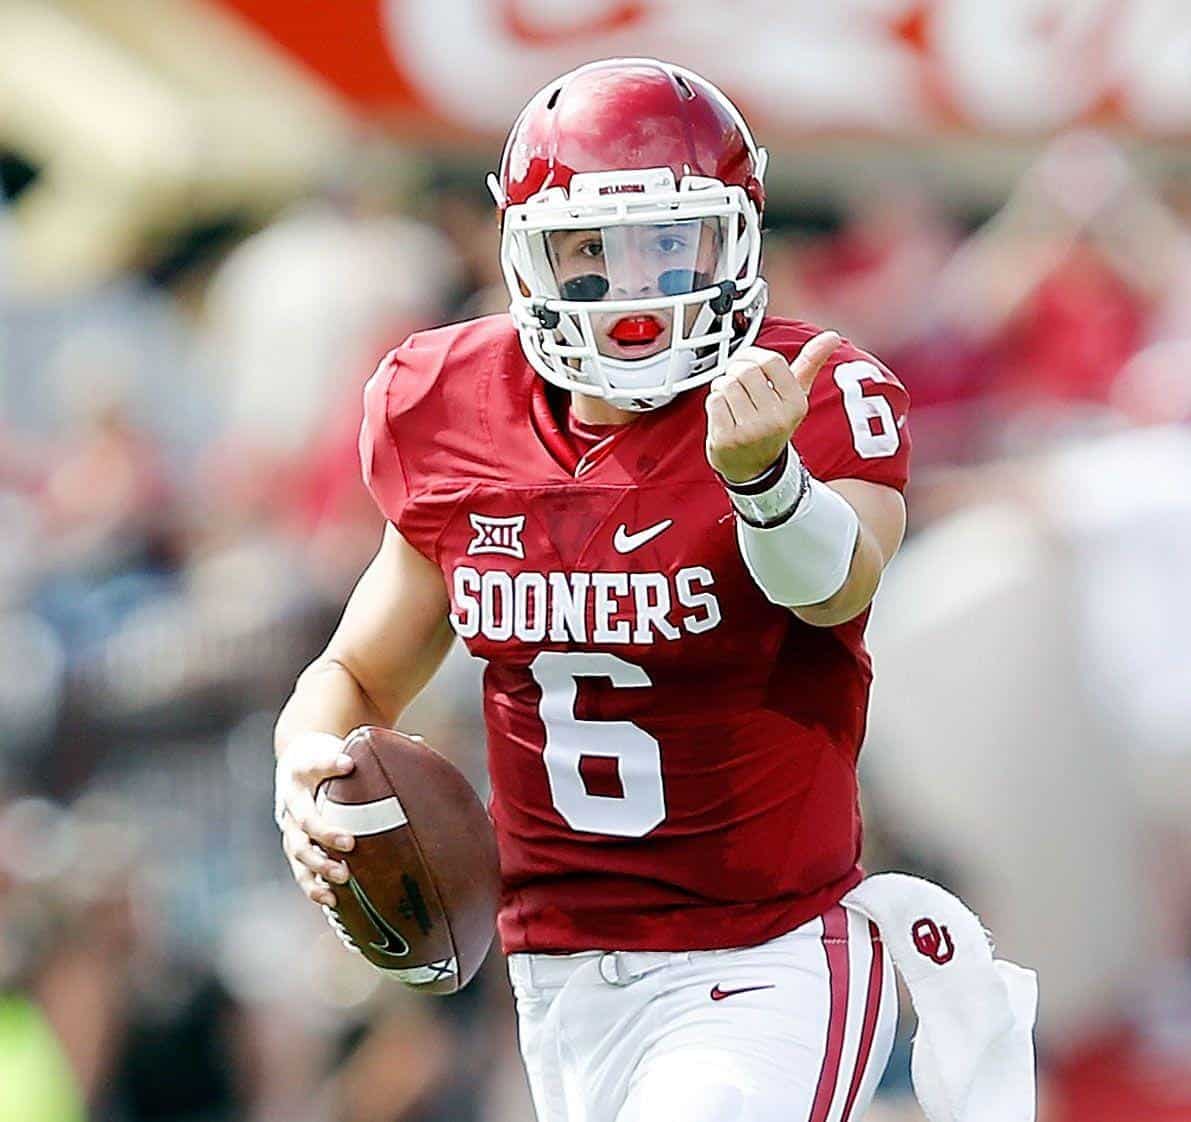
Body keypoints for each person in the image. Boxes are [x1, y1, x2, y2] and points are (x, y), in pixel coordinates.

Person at [270, 59, 918, 1122]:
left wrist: (763, 478)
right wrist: (305, 773)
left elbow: (835, 590)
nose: (631, 290)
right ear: (526, 256)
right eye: (590, 251)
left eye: (669, 243)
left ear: (735, 240)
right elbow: (355, 672)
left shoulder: (809, 393)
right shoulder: (448, 406)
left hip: (766, 956)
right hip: (558, 974)